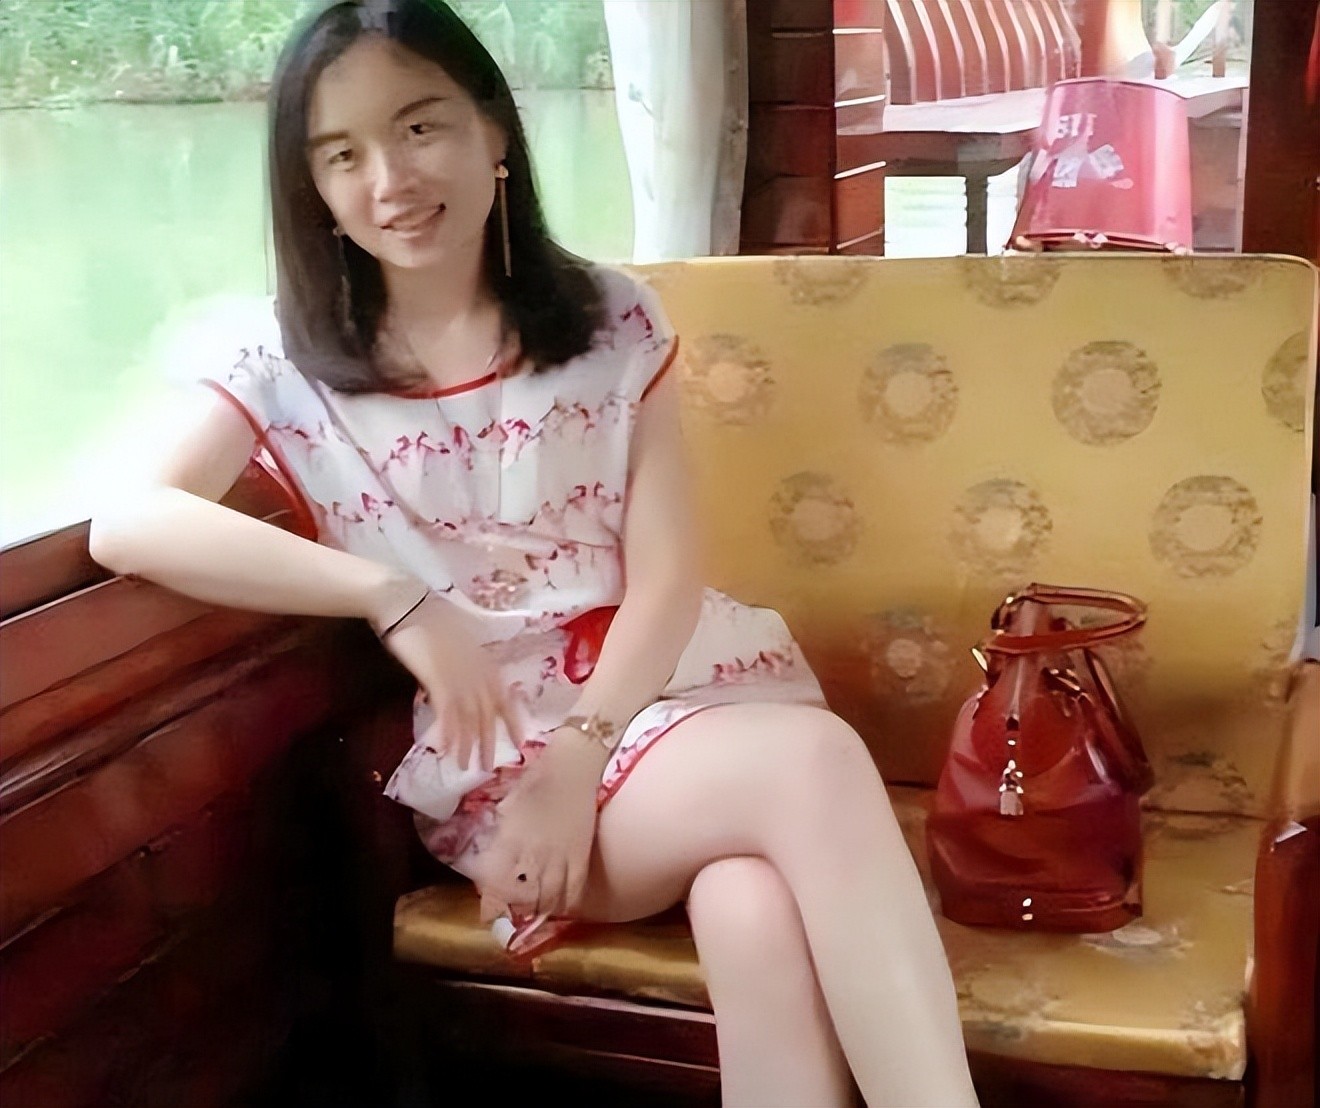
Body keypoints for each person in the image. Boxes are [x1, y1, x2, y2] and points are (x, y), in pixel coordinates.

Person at [88, 2, 979, 1104]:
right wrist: (391, 594)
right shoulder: (285, 359)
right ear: (310, 183)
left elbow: (667, 578)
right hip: (509, 761)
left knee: (752, 904)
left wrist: (583, 756)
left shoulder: (611, 319)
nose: (390, 180)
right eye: (342, 154)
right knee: (816, 766)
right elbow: (129, 519)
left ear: (494, 132)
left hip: (677, 698)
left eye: (420, 127)